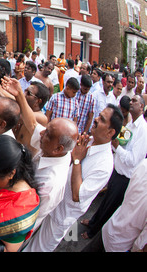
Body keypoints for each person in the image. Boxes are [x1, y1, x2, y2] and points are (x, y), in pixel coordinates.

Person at [23, 105, 123, 252]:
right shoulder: (88, 140)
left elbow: (78, 195)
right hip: (49, 202)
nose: (95, 119)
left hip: (60, 216)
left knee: (37, 248)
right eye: (98, 115)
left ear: (110, 132)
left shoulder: (105, 164)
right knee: (26, 239)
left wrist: (76, 160)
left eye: (101, 119)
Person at [1, 76, 79, 231]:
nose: (41, 133)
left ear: (58, 149)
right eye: (47, 128)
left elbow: (29, 214)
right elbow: (31, 123)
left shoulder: (50, 183)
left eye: (48, 134)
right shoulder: (51, 145)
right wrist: (19, 95)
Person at [81, 95, 147, 239]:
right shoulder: (129, 123)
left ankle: (93, 232)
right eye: (131, 100)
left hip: (125, 177)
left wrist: (117, 147)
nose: (131, 102)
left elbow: (134, 160)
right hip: (117, 171)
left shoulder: (143, 130)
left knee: (110, 206)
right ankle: (92, 222)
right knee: (104, 202)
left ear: (142, 107)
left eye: (135, 101)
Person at [13, 81, 49, 155]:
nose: (23, 95)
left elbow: (14, 114)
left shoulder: (41, 118)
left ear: (38, 101)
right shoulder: (22, 111)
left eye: (28, 93)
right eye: (24, 91)